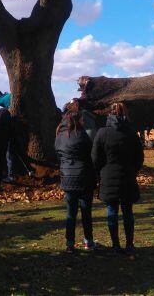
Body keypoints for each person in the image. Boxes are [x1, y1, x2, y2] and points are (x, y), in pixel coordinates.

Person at [92, 102, 144, 254]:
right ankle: (129, 244)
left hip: (108, 176)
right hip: (127, 175)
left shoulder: (102, 133)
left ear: (109, 114)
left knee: (112, 211)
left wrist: (101, 172)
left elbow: (95, 158)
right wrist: (132, 170)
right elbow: (139, 157)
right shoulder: (131, 132)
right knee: (128, 211)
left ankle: (115, 245)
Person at [55, 107, 96, 253]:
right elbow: (90, 155)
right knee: (86, 212)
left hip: (67, 177)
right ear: (78, 120)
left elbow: (58, 155)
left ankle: (70, 243)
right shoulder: (82, 135)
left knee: (71, 213)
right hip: (84, 177)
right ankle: (88, 241)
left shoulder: (60, 136)